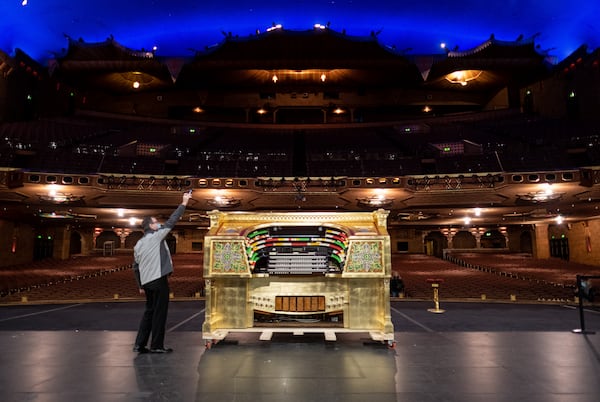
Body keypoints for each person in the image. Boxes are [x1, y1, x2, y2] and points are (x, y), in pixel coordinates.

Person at [132, 191, 192, 353]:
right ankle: (157, 345)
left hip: (147, 282)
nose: (158, 223)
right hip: (158, 280)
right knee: (160, 313)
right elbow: (172, 221)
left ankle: (140, 344)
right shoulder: (156, 236)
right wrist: (184, 202)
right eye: (155, 222)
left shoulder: (138, 244)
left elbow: (135, 267)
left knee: (149, 312)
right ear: (151, 226)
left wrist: (140, 285)